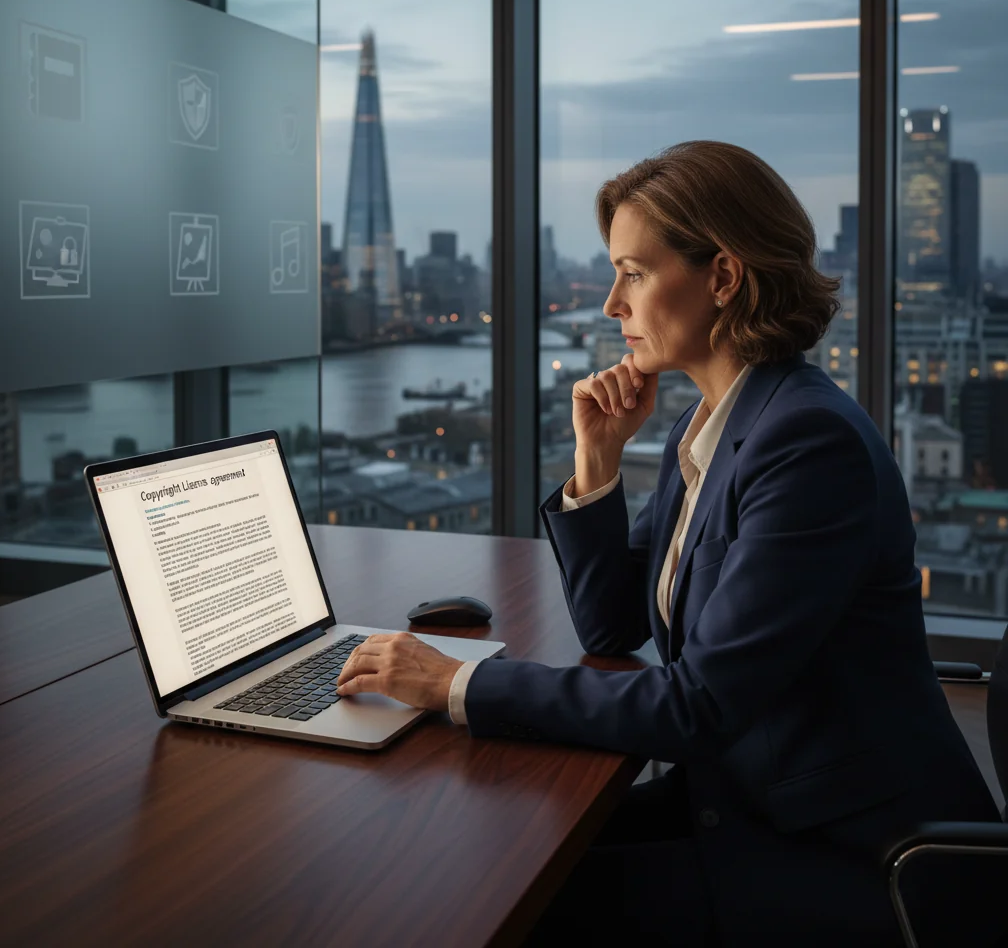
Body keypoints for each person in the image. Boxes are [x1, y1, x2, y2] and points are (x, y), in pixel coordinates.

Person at [335, 141, 1001, 946]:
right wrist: (597, 463)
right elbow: (615, 623)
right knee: (477, 863)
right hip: (751, 796)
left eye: (634, 273)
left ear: (723, 277)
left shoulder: (806, 445)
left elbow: (699, 705)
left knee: (490, 904)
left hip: (850, 855)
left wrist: (455, 683)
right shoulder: (714, 423)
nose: (610, 302)